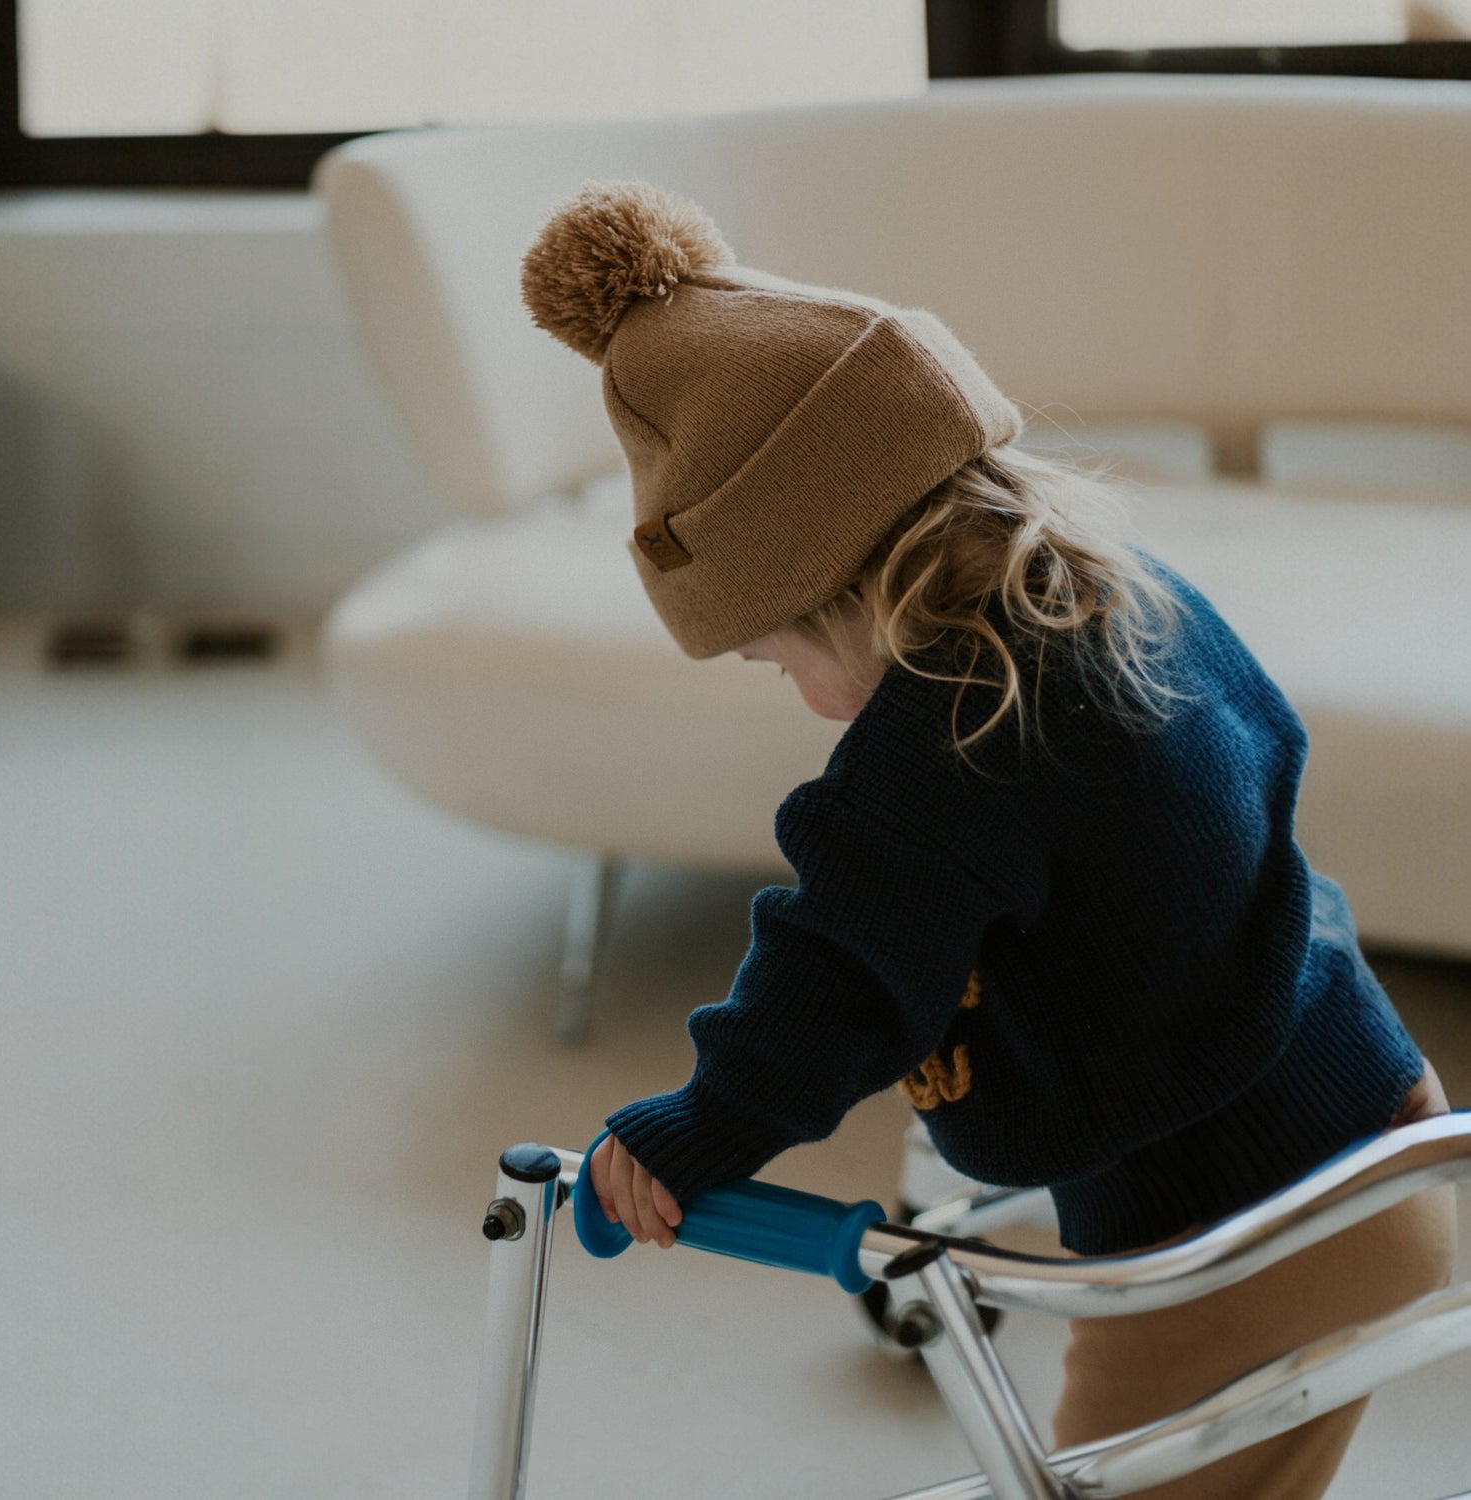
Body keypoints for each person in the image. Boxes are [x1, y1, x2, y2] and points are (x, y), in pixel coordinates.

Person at [519, 179, 1457, 1498]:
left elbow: (839, 973)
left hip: (1230, 1247)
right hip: (1374, 1130)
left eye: (774, 655)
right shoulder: (1122, 595)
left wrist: (697, 1129)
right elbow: (1273, 753)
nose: (795, 694)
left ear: (833, 584)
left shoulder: (942, 746)